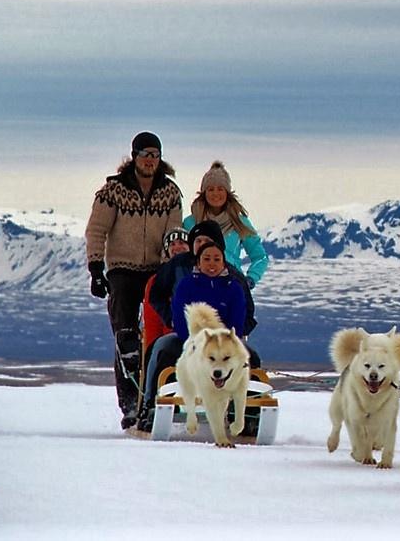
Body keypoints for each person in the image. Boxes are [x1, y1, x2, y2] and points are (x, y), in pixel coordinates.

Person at [85, 131, 182, 429]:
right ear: (134, 157)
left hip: (156, 269)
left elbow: (173, 234)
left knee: (160, 337)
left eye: (155, 155)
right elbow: (97, 229)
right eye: (145, 155)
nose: (150, 161)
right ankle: (129, 404)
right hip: (123, 270)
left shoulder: (170, 193)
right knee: (125, 338)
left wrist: (172, 272)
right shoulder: (113, 191)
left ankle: (154, 399)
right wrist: (96, 269)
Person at [137, 238, 259, 433]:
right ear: (198, 262)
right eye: (207, 259)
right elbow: (180, 316)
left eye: (216, 259)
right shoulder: (187, 286)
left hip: (224, 344)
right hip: (188, 340)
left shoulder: (234, 287)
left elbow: (237, 320)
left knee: (252, 357)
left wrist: (229, 343)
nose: (212, 264)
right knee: (162, 350)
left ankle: (249, 414)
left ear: (223, 262)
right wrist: (194, 343)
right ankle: (150, 406)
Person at [183, 161, 269, 289]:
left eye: (220, 189)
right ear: (204, 193)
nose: (215, 194)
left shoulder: (239, 222)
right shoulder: (191, 223)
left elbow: (260, 257)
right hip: (198, 287)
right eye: (211, 189)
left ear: (227, 192)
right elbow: (181, 255)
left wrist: (251, 278)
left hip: (231, 286)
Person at [137, 226, 191, 407]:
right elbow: (152, 318)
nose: (178, 247)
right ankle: (150, 404)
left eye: (182, 243)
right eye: (173, 244)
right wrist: (153, 346)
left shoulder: (200, 273)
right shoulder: (157, 280)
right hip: (170, 337)